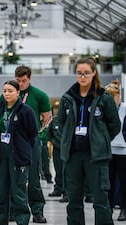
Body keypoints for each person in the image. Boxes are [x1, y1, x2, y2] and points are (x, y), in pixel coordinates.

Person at [57, 57, 120, 225]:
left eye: (86, 73)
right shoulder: (67, 97)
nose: (82, 76)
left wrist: (101, 139)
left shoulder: (104, 97)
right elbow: (61, 122)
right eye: (79, 73)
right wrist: (69, 139)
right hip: (73, 156)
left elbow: (114, 125)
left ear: (94, 73)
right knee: (74, 202)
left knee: (100, 201)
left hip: (96, 157)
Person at [0, 80, 38, 225]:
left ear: (18, 92)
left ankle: (22, 221)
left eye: (10, 91)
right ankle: (0, 221)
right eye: (4, 90)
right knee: (1, 193)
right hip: (1, 155)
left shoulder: (26, 111)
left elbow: (32, 134)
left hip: (17, 156)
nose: (7, 93)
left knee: (18, 193)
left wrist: (21, 149)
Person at [12, 65, 51, 223]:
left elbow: (47, 116)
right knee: (15, 178)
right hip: (14, 142)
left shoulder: (39, 95)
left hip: (31, 142)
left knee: (34, 178)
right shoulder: (9, 94)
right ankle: (15, 210)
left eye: (24, 81)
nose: (20, 84)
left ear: (30, 78)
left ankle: (37, 211)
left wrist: (39, 131)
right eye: (18, 81)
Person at [106, 80, 126, 221]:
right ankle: (109, 208)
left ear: (119, 96)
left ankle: (124, 209)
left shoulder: (125, 108)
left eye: (113, 96)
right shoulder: (104, 109)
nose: (112, 100)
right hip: (108, 150)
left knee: (124, 182)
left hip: (124, 150)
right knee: (109, 182)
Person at [47, 115, 68, 202]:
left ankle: (67, 192)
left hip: (68, 149)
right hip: (57, 148)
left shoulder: (71, 118)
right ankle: (58, 189)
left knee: (67, 172)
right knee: (58, 170)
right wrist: (54, 142)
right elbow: (49, 134)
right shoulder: (55, 120)